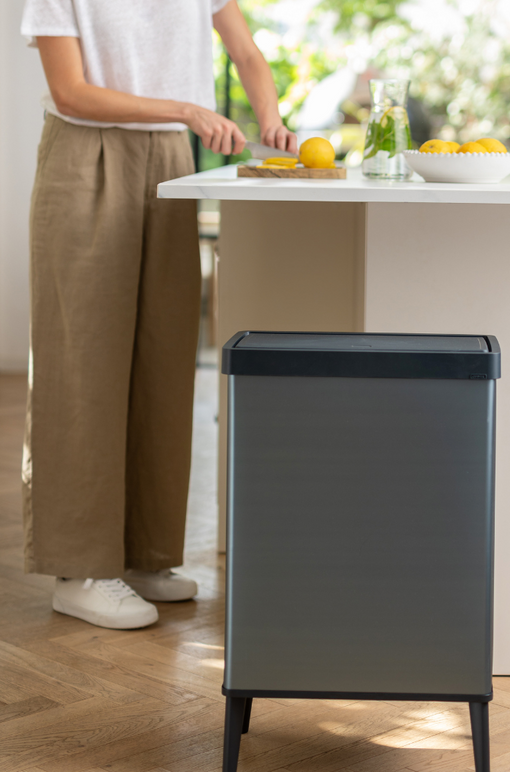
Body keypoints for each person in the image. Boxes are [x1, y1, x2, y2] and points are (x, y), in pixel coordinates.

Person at [20, 0, 295, 630]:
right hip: (85, 155)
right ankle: (78, 569)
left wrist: (271, 120)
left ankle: (144, 554)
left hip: (170, 159)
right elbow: (70, 91)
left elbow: (245, 51)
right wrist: (186, 109)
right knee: (82, 360)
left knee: (163, 358)